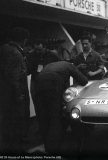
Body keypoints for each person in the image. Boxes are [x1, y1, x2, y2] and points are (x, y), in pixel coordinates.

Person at [34, 61, 88, 154]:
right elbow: (83, 80)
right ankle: (55, 149)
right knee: (55, 116)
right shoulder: (70, 66)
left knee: (43, 115)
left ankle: (46, 146)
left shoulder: (51, 64)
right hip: (52, 80)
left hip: (38, 80)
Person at [0, 27, 29, 155]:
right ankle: (18, 151)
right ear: (24, 40)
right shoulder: (16, 54)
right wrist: (18, 95)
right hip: (13, 95)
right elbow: (13, 78)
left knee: (7, 123)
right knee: (18, 123)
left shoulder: (4, 48)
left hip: (4, 94)